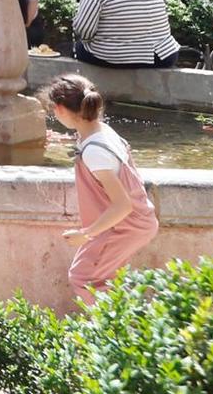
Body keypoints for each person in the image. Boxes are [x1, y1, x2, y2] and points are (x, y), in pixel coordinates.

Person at [44, 73, 159, 301]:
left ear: (59, 110)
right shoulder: (101, 133)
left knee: (84, 278)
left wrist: (85, 234)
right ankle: (124, 328)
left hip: (123, 226)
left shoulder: (95, 152)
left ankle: (114, 333)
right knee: (104, 281)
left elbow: (122, 206)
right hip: (134, 223)